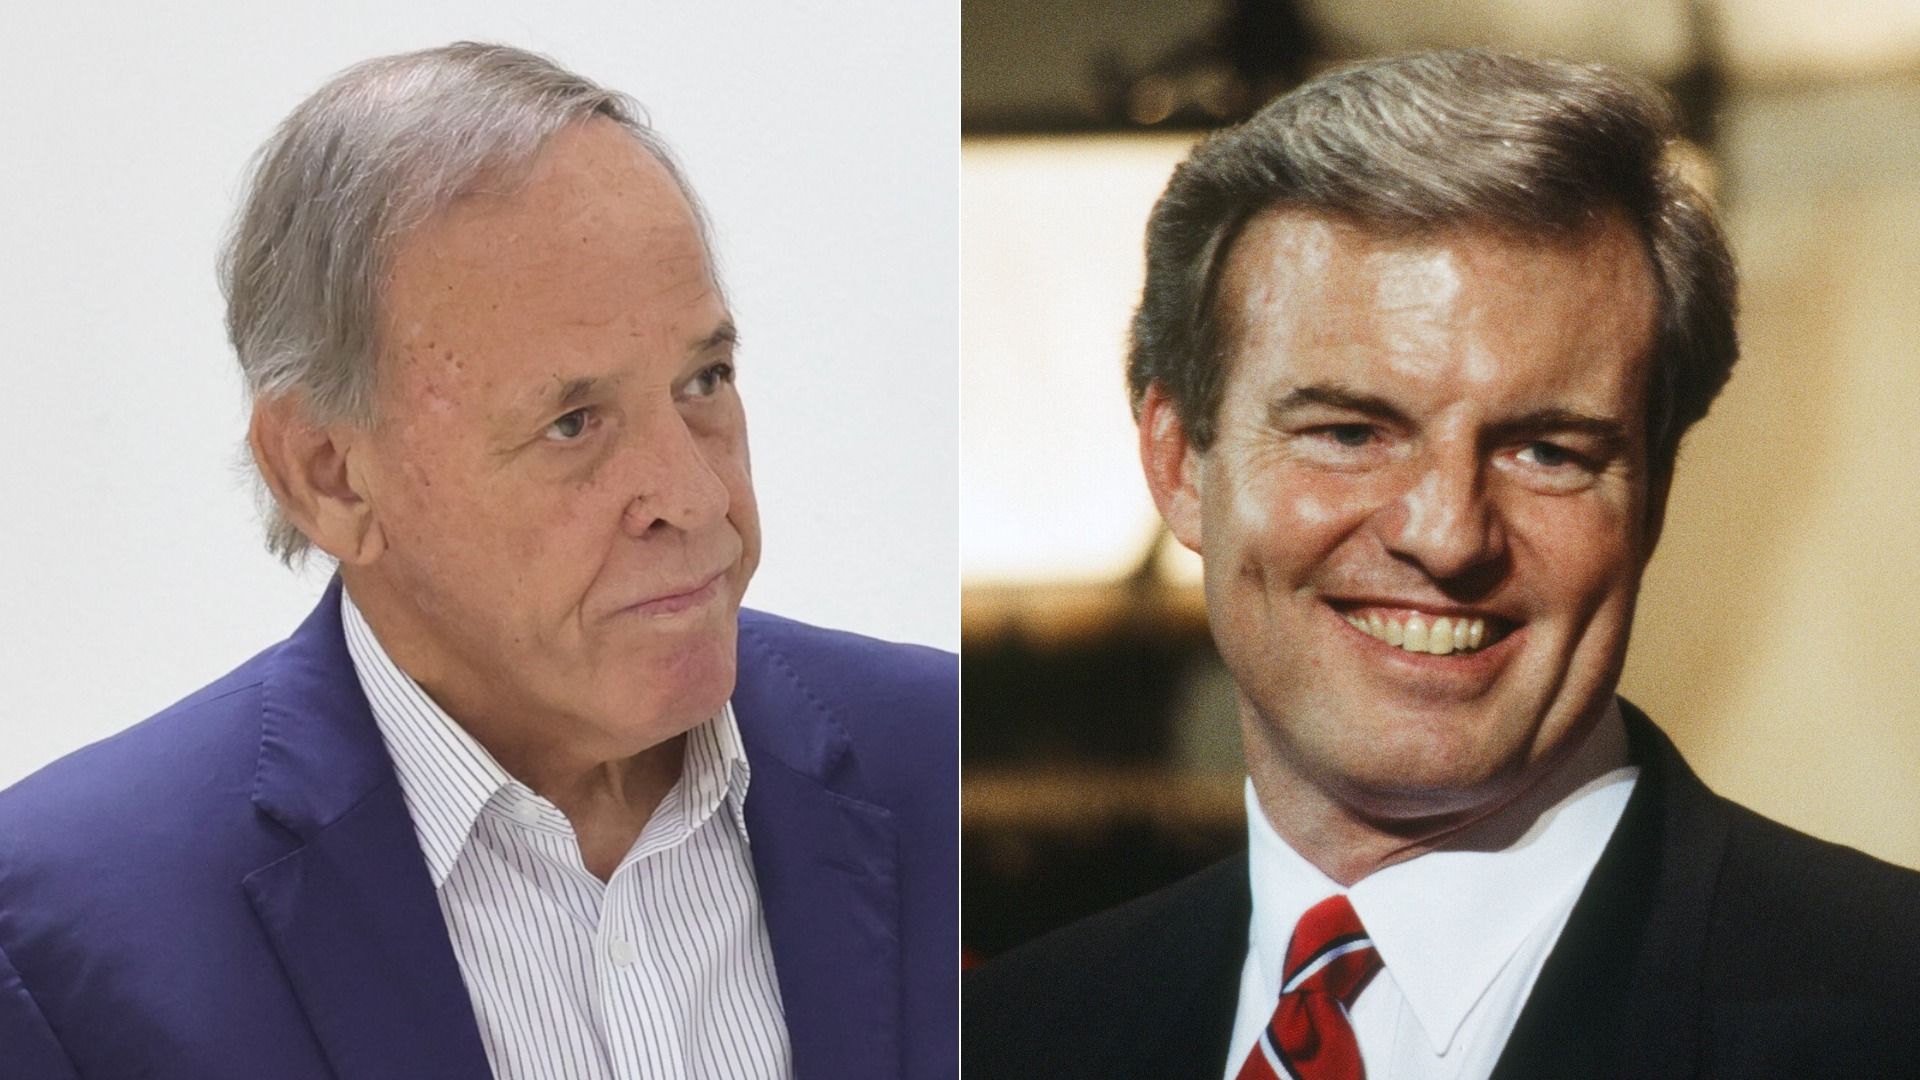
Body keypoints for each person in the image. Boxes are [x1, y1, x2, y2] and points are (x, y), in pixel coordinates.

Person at [0, 43, 954, 1080]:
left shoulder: (945, 766)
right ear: (331, 476)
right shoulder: (66, 936)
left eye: (704, 380)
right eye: (573, 421)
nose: (692, 496)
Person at [965, 49, 1920, 1078]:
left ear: (1652, 498)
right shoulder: (1009, 1032)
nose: (1449, 533)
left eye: (1547, 451)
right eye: (1349, 432)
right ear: (1179, 461)